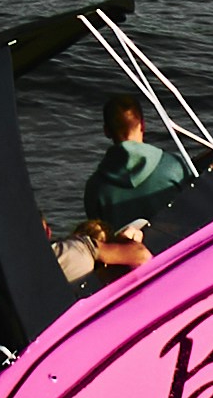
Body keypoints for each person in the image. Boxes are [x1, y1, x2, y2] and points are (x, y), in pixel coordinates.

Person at [80, 93, 190, 268]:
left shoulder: (95, 188)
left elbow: (101, 241)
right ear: (143, 125)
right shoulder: (174, 166)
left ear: (106, 131)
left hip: (133, 274)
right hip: (180, 259)